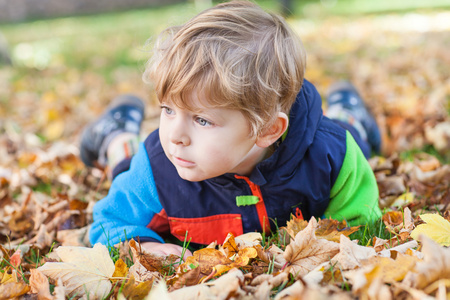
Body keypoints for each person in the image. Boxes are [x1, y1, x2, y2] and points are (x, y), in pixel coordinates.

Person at [81, 1, 382, 257]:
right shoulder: (157, 170)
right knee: (125, 164)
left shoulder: (332, 155)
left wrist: (333, 243)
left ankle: (350, 111)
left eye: (202, 120)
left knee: (350, 135)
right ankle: (116, 131)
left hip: (313, 133)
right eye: (168, 110)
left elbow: (358, 216)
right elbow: (109, 223)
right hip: (146, 164)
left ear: (267, 129)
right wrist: (145, 246)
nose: (175, 135)